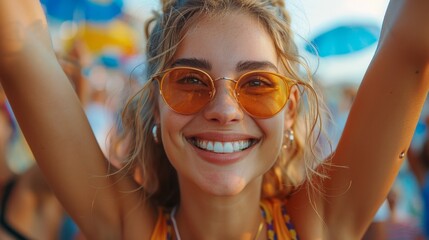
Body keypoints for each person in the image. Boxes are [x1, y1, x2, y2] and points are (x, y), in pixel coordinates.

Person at [1, 0, 429, 239]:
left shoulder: (321, 225)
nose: (224, 109)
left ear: (291, 109)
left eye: (258, 83)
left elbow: (409, 36)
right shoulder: (127, 228)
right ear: (156, 104)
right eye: (189, 80)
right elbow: (20, 48)